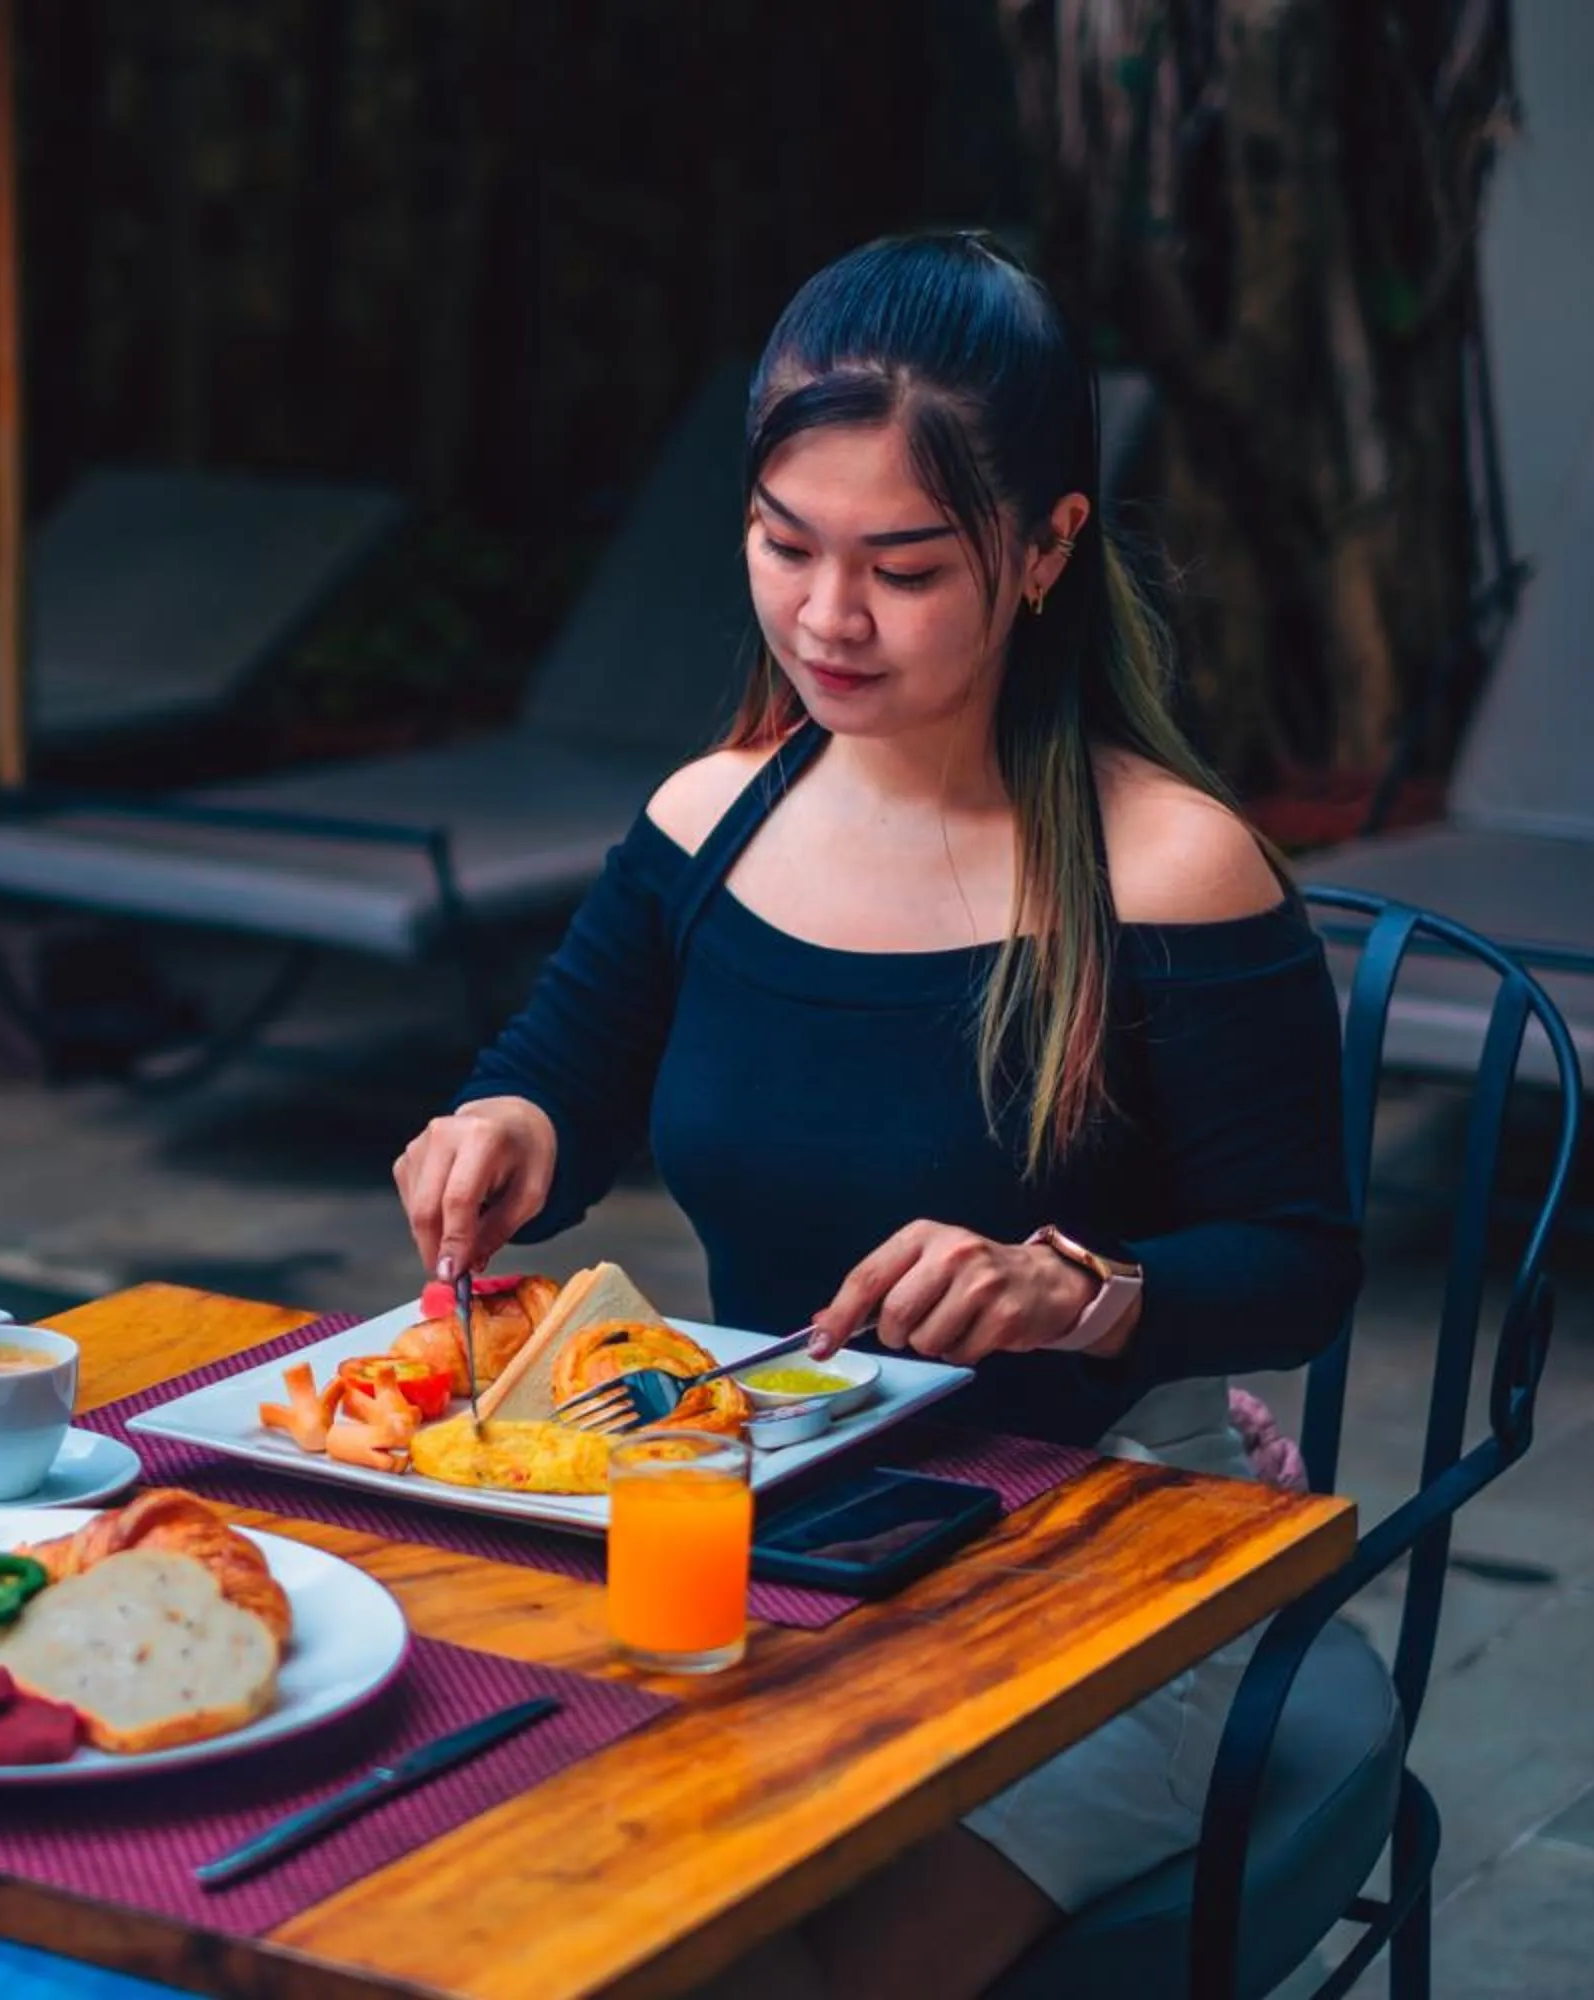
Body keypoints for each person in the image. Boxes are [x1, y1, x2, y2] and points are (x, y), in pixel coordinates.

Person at [392, 230, 1361, 1995]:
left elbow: (1302, 1263)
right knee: (517, 1898)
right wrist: (504, 1134)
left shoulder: (1170, 867)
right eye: (786, 547)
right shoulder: (716, 819)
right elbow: (559, 1080)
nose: (827, 619)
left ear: (1052, 543)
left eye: (902, 567)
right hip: (760, 1512)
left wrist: (1083, 1287)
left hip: (1106, 1556)